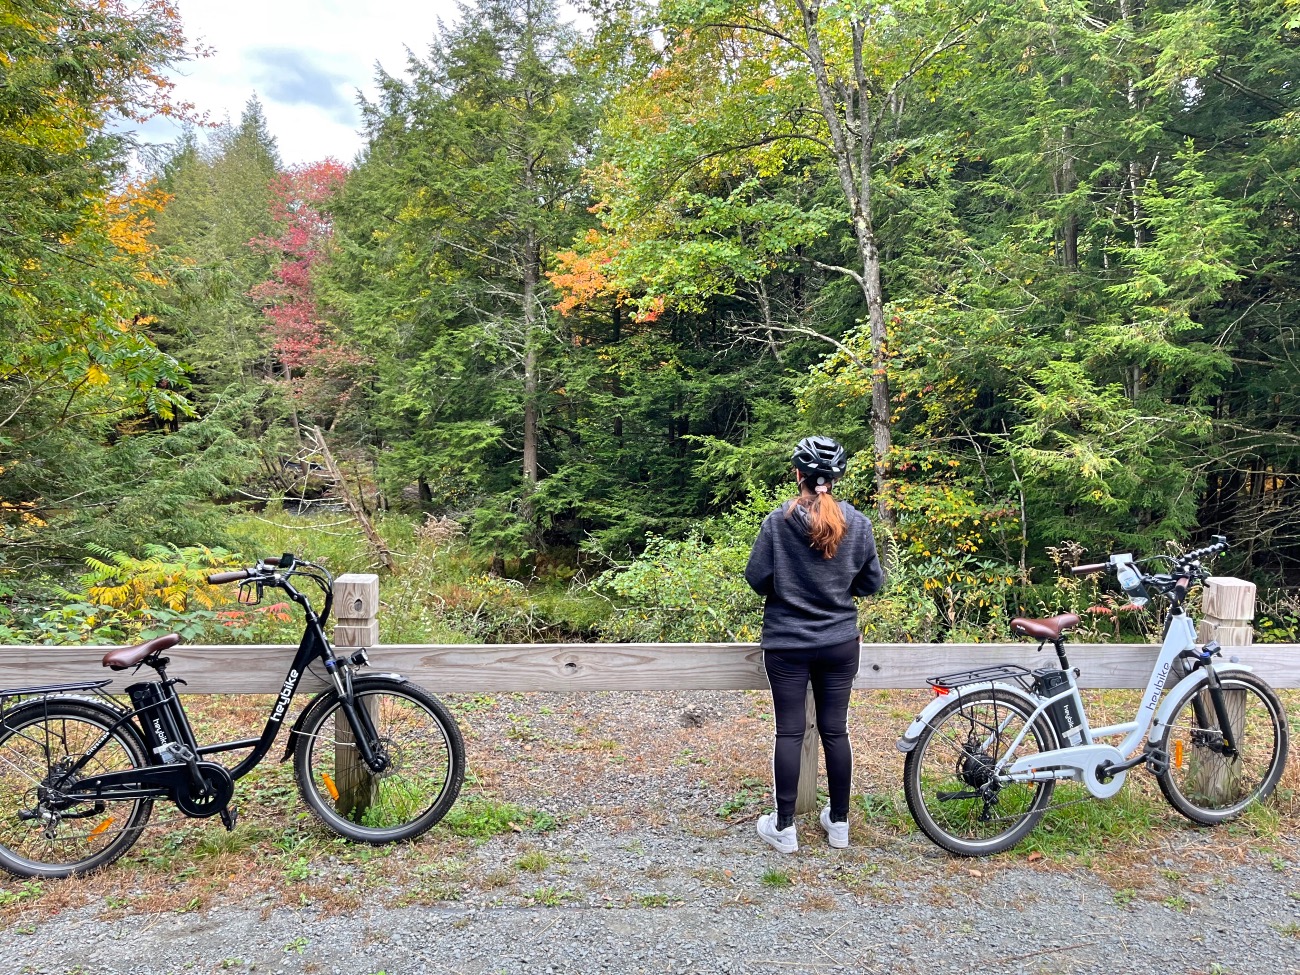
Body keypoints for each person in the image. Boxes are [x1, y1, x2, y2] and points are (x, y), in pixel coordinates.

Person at [743, 436, 884, 853]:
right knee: (835, 730)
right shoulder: (858, 524)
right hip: (840, 642)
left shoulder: (777, 522)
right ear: (836, 478)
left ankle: (784, 827)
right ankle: (839, 824)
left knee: (789, 731)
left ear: (798, 475)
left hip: (787, 643)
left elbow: (757, 579)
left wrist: (789, 585)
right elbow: (870, 583)